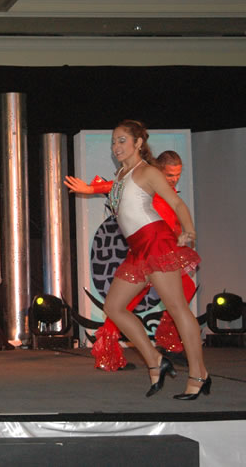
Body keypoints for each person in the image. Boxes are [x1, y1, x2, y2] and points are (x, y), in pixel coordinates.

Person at [82, 120, 208, 399]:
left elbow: (175, 203)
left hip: (156, 243)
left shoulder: (147, 172)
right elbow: (114, 196)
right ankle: (155, 359)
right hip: (138, 250)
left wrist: (188, 229)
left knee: (177, 308)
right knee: (114, 307)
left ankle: (199, 374)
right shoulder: (122, 174)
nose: (116, 147)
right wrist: (88, 189)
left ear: (139, 143)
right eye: (114, 141)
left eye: (122, 140)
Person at [65, 150, 196, 370]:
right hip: (145, 256)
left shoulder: (168, 192)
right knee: (122, 306)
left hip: (166, 255)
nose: (174, 179)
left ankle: (170, 343)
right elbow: (115, 186)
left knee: (186, 289)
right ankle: (108, 355)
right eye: (170, 174)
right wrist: (90, 189)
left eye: (178, 174)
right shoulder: (146, 184)